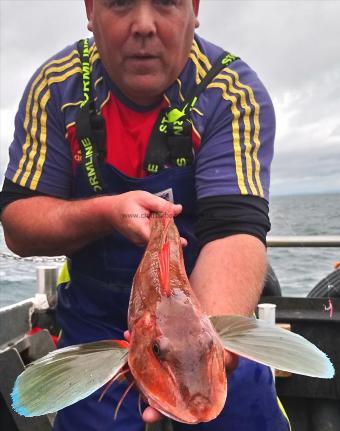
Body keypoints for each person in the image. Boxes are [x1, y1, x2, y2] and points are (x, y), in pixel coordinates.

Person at [0, 1, 289, 430]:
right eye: (119, 2)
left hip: (209, 313)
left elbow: (235, 231)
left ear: (193, 9)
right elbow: (20, 225)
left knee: (241, 404)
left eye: (166, 2)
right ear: (91, 10)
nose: (144, 26)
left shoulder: (230, 89)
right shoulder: (56, 88)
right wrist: (105, 212)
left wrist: (205, 347)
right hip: (97, 319)